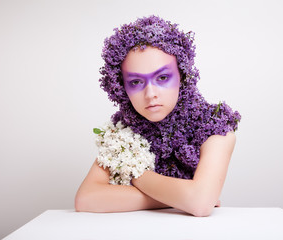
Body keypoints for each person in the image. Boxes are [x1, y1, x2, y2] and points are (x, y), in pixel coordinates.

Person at [75, 15, 241, 217]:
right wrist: (179, 198)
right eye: (136, 82)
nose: (150, 93)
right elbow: (86, 199)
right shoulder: (123, 130)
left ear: (183, 74)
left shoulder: (214, 125)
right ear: (120, 88)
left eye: (162, 78)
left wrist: (137, 176)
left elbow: (199, 204)